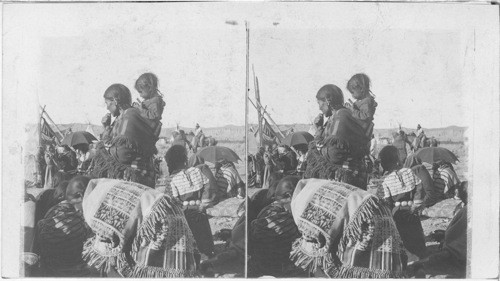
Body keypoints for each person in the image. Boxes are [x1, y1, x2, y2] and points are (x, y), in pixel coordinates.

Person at [81, 177, 200, 277]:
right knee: (172, 265)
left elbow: (109, 237)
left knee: (151, 267)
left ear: (79, 195)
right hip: (168, 211)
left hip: (159, 219)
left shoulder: (94, 202)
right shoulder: (104, 186)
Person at [290, 178, 407, 278]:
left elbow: (316, 241)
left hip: (366, 219)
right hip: (376, 211)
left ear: (288, 196)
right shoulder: (312, 185)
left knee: (357, 268)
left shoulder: (302, 199)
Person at [89, 83, 157, 187]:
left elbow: (123, 154)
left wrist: (103, 149)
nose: (107, 107)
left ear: (115, 101)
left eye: (107, 103)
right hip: (130, 177)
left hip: (137, 179)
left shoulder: (130, 116)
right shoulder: (121, 118)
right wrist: (107, 127)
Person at [309, 84, 371, 189]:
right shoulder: (336, 117)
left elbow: (334, 154)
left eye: (319, 103)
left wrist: (318, 143)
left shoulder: (341, 117)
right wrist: (319, 129)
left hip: (348, 179)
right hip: (347, 177)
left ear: (327, 101)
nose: (319, 107)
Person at [35, 176, 97, 277]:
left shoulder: (51, 211)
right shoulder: (82, 217)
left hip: (50, 267)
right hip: (74, 268)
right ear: (80, 195)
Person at [248, 176, 306, 277]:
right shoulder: (280, 218)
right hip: (272, 269)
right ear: (289, 195)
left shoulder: (269, 208)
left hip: (260, 264)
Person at [165, 145, 215, 258]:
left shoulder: (171, 179)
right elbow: (208, 185)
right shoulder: (196, 171)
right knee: (203, 232)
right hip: (200, 210)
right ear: (185, 159)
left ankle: (193, 258)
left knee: (189, 237)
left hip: (185, 214)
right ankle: (206, 254)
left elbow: (172, 200)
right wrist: (203, 202)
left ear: (170, 162)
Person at [379, 145, 427, 261]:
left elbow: (387, 201)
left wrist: (389, 215)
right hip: (412, 210)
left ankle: (409, 261)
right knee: (415, 233)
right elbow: (419, 187)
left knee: (403, 236)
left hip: (398, 213)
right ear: (397, 159)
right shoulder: (409, 172)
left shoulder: (386, 181)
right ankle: (419, 260)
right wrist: (416, 203)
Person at [133, 72, 166, 139]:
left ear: (150, 88)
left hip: (149, 131)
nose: (140, 95)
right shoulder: (151, 100)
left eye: (141, 92)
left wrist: (140, 109)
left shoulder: (155, 101)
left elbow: (154, 116)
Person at [345, 73, 378, 138]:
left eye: (353, 92)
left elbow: (365, 116)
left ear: (361, 89)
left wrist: (352, 110)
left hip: (361, 131)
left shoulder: (367, 102)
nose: (352, 95)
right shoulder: (362, 101)